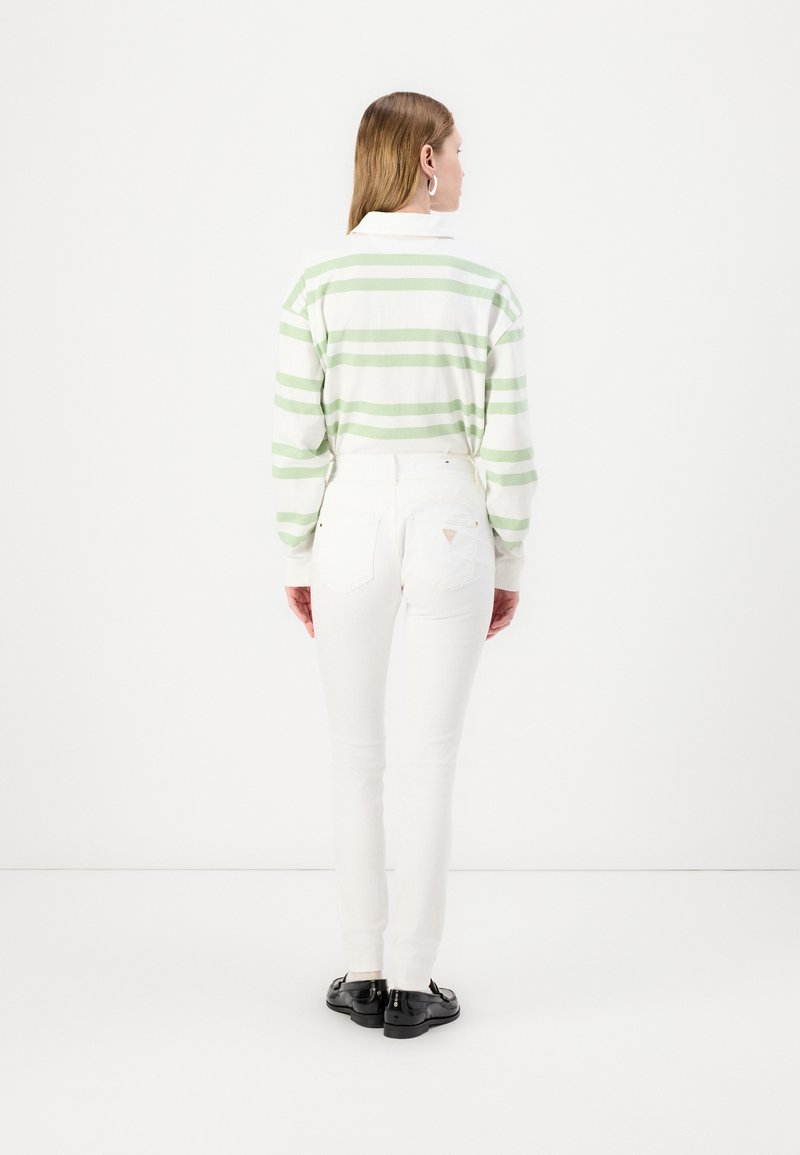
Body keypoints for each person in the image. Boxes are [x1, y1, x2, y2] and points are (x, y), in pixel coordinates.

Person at [271, 91, 537, 1039]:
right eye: (457, 151)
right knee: (430, 759)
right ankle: (415, 984)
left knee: (356, 757)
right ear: (426, 159)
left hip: (347, 520)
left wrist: (298, 549)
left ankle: (362, 969)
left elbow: (297, 435)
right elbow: (508, 444)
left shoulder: (317, 281)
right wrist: (508, 558)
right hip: (450, 518)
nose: (464, 167)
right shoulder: (485, 284)